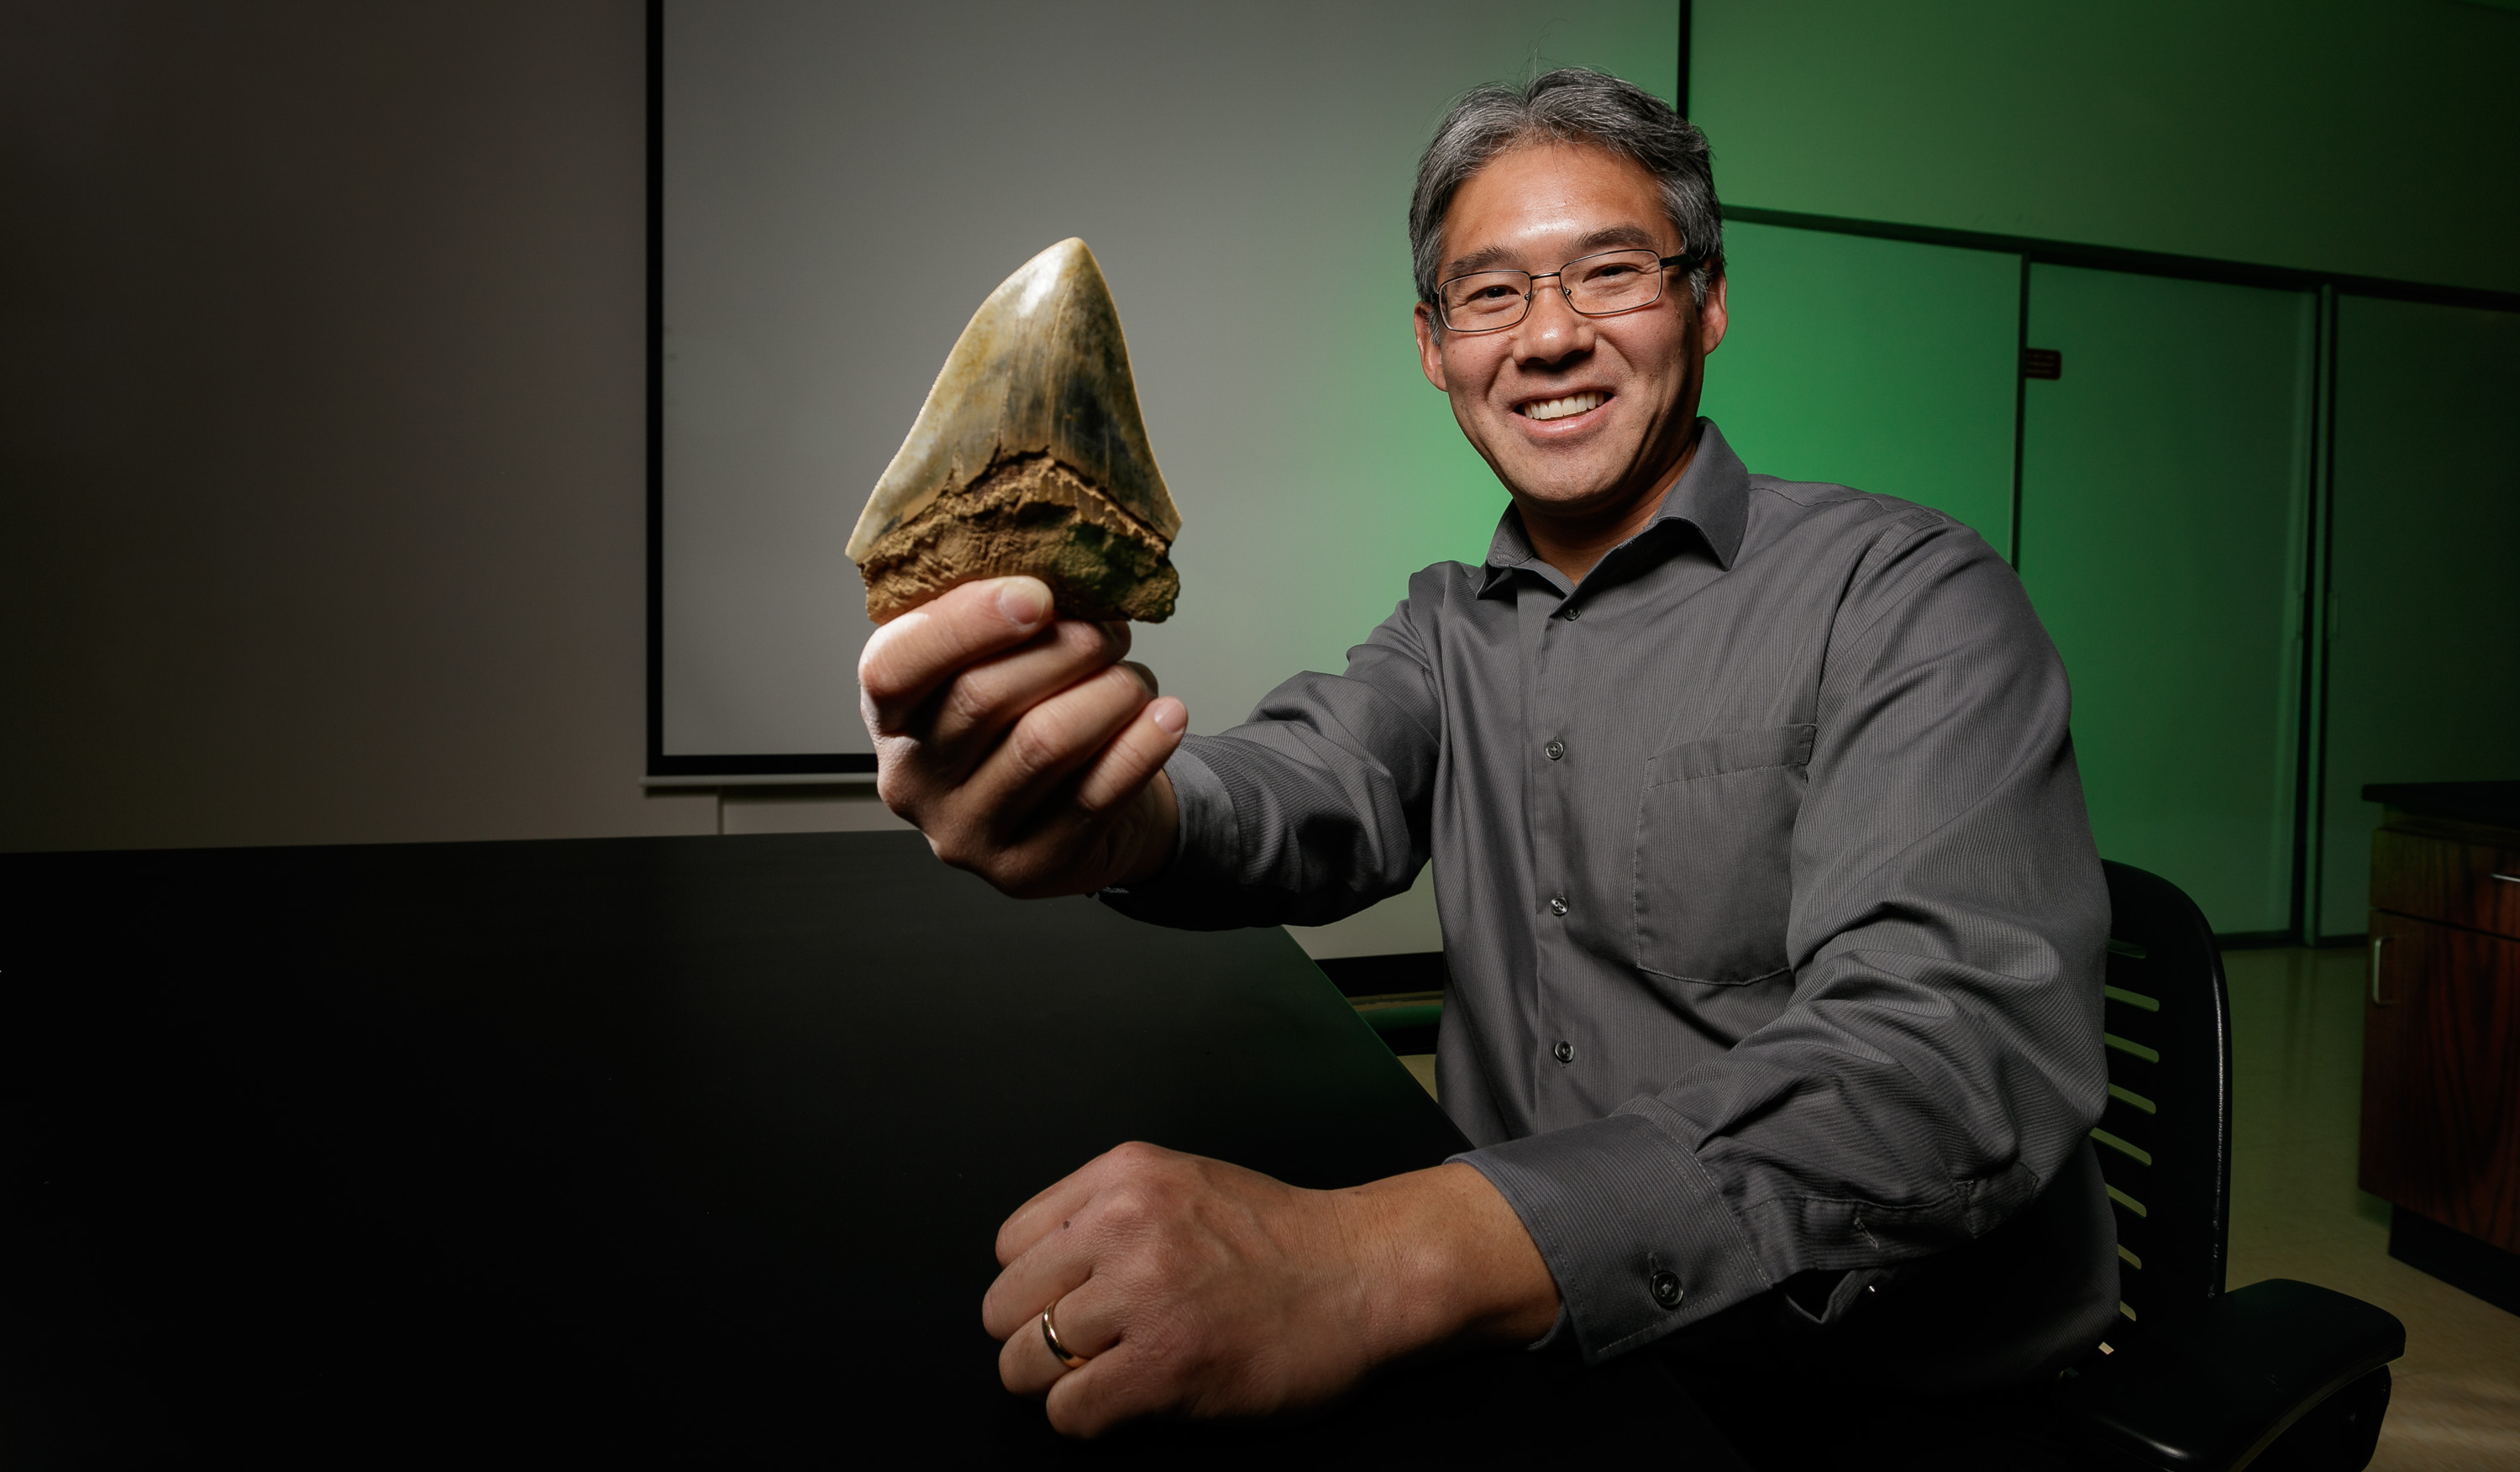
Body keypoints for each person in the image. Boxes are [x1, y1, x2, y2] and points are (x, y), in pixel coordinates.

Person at [858, 69, 2118, 1443]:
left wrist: (1374, 1260)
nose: (1552, 337)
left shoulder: (1907, 596)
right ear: (1435, 346)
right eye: (1493, 292)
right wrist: (1117, 812)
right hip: (1557, 1361)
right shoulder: (1447, 628)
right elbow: (1306, 780)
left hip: (1854, 1383)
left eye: (1611, 274)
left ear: (1706, 302)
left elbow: (1940, 1061)